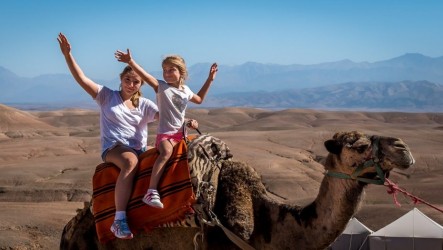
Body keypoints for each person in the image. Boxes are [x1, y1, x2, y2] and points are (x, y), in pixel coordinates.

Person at [57, 33, 159, 240]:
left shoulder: (145, 105)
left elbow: (166, 117)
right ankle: (119, 220)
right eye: (127, 80)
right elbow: (82, 79)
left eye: (136, 82)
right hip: (114, 148)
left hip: (140, 147)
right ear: (121, 80)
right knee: (130, 161)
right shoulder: (106, 96)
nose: (131, 84)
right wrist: (68, 56)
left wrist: (186, 122)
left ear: (141, 85)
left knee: (162, 155)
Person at [114, 49, 218, 209]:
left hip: (181, 134)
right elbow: (146, 76)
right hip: (165, 136)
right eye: (164, 70)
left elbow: (200, 99)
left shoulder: (186, 90)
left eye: (171, 70)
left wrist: (210, 79)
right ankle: (151, 191)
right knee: (166, 153)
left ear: (181, 72)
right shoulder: (161, 87)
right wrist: (130, 62)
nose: (167, 73)